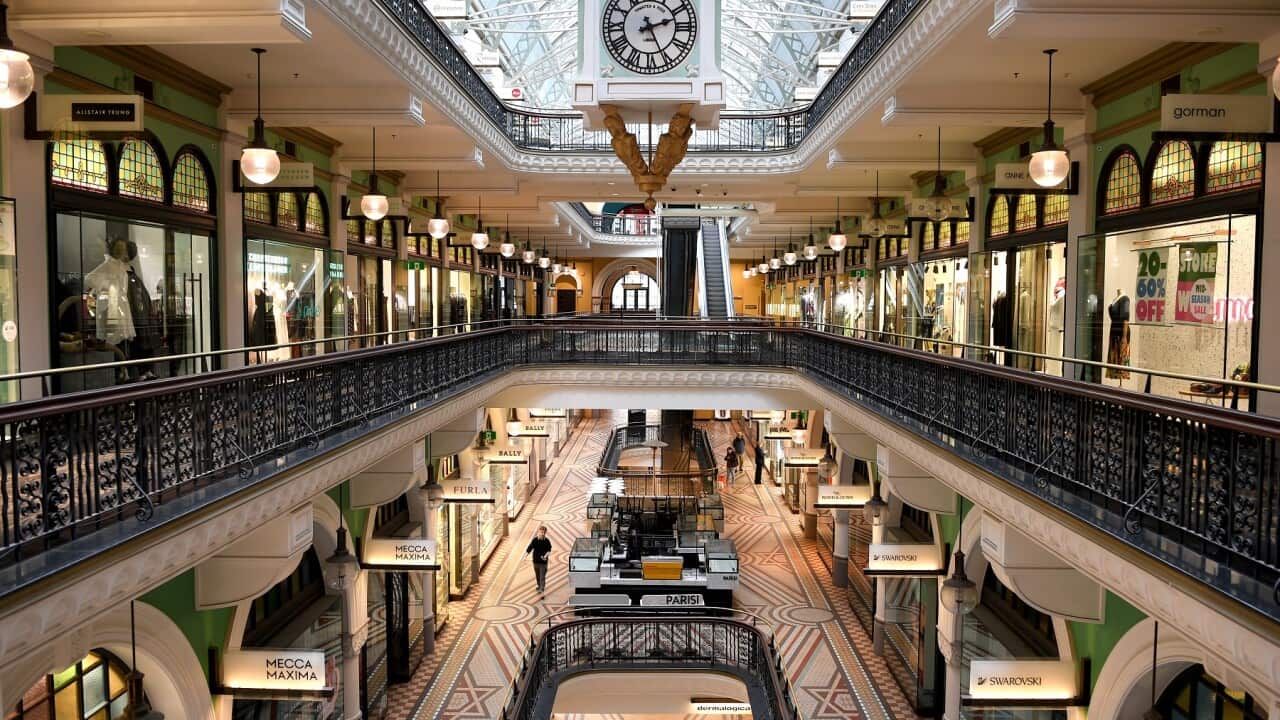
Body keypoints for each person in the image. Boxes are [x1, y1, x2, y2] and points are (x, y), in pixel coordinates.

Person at [525, 525, 551, 595]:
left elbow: (549, 550)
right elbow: (529, 548)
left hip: (543, 562)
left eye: (543, 532)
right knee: (537, 575)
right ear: (538, 532)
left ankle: (541, 589)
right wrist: (525, 556)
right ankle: (539, 585)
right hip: (535, 561)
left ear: (545, 533)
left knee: (542, 576)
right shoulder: (535, 540)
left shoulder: (547, 541)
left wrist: (545, 556)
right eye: (541, 532)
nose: (542, 533)